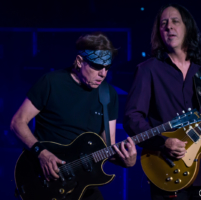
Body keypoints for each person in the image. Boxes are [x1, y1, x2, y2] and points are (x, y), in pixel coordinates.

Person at [123, 4, 201, 200]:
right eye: (163, 23)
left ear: (187, 28)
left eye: (175, 21)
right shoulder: (147, 70)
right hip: (167, 169)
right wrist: (163, 142)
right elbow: (132, 118)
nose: (168, 27)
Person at [10, 32, 137, 200]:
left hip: (81, 182)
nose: (103, 74)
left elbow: (107, 147)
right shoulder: (51, 82)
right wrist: (42, 154)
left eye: (107, 68)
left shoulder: (108, 94)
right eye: (97, 66)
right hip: (45, 177)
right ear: (79, 61)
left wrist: (126, 161)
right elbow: (17, 123)